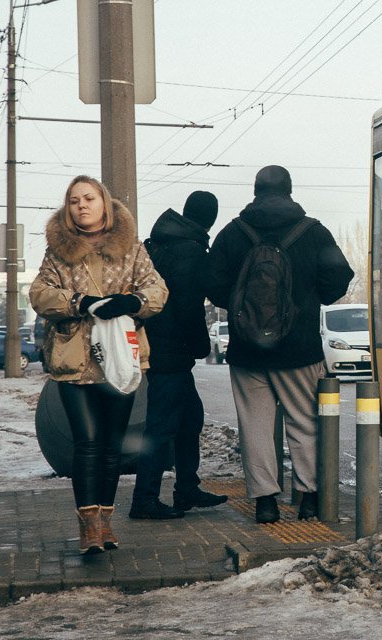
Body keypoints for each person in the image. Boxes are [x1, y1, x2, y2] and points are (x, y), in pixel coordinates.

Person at [29, 175, 168, 554]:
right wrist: (80, 302)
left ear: (105, 203)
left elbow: (157, 290)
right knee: (87, 444)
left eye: (89, 198)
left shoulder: (131, 248)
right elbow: (40, 294)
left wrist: (132, 303)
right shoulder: (58, 253)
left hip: (120, 360)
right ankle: (88, 529)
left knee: (111, 446)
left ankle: (105, 524)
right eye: (74, 201)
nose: (81, 206)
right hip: (74, 360)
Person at [207, 165, 353, 524]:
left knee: (255, 427)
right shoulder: (314, 233)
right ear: (290, 191)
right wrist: (307, 296)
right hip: (300, 349)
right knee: (305, 424)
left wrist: (245, 309)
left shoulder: (233, 233)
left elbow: (211, 284)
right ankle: (308, 499)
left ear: (255, 191)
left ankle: (266, 503)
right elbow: (338, 281)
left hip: (247, 350)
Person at [129, 191, 229, 520]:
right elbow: (188, 307)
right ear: (209, 218)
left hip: (160, 346)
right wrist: (201, 345)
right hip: (170, 352)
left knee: (190, 420)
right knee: (160, 429)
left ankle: (187, 487)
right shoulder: (190, 250)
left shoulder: (158, 243)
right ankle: (144, 499)